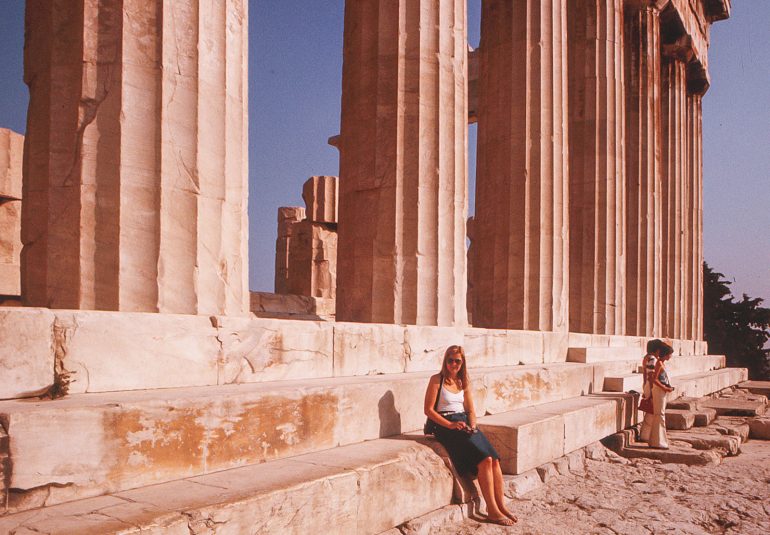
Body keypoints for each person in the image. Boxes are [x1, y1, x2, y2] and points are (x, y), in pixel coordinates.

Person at [424, 345, 517, 527]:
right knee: (484, 460)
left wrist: (472, 425)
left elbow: (471, 410)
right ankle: (491, 509)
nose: (453, 364)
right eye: (450, 360)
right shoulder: (437, 380)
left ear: (462, 362)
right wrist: (450, 424)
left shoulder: (462, 381)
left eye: (457, 361)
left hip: (464, 423)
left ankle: (501, 505)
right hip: (445, 425)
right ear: (445, 361)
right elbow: (428, 410)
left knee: (494, 459)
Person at [639, 339, 675, 448]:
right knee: (656, 412)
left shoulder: (651, 358)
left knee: (652, 412)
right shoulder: (652, 359)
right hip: (652, 388)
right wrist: (651, 391)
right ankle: (656, 440)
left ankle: (646, 435)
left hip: (651, 387)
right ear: (657, 349)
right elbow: (651, 377)